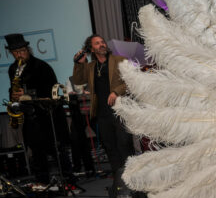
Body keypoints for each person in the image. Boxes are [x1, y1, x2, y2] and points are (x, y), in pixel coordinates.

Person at [5, 33, 63, 183]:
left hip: (46, 116)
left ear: (28, 49)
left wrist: (28, 93)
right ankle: (42, 182)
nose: (19, 55)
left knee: (55, 150)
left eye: (22, 51)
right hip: (29, 117)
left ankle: (67, 180)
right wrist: (13, 95)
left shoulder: (41, 66)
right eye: (15, 53)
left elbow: (51, 90)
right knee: (36, 152)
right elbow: (13, 88)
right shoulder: (13, 69)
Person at [72, 34, 133, 176]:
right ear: (91, 49)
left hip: (120, 110)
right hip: (102, 113)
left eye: (102, 42)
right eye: (97, 43)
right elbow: (78, 80)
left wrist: (116, 92)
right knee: (110, 146)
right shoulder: (90, 66)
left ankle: (132, 174)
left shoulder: (120, 61)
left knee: (124, 144)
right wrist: (79, 63)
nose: (102, 45)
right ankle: (119, 176)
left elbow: (131, 82)